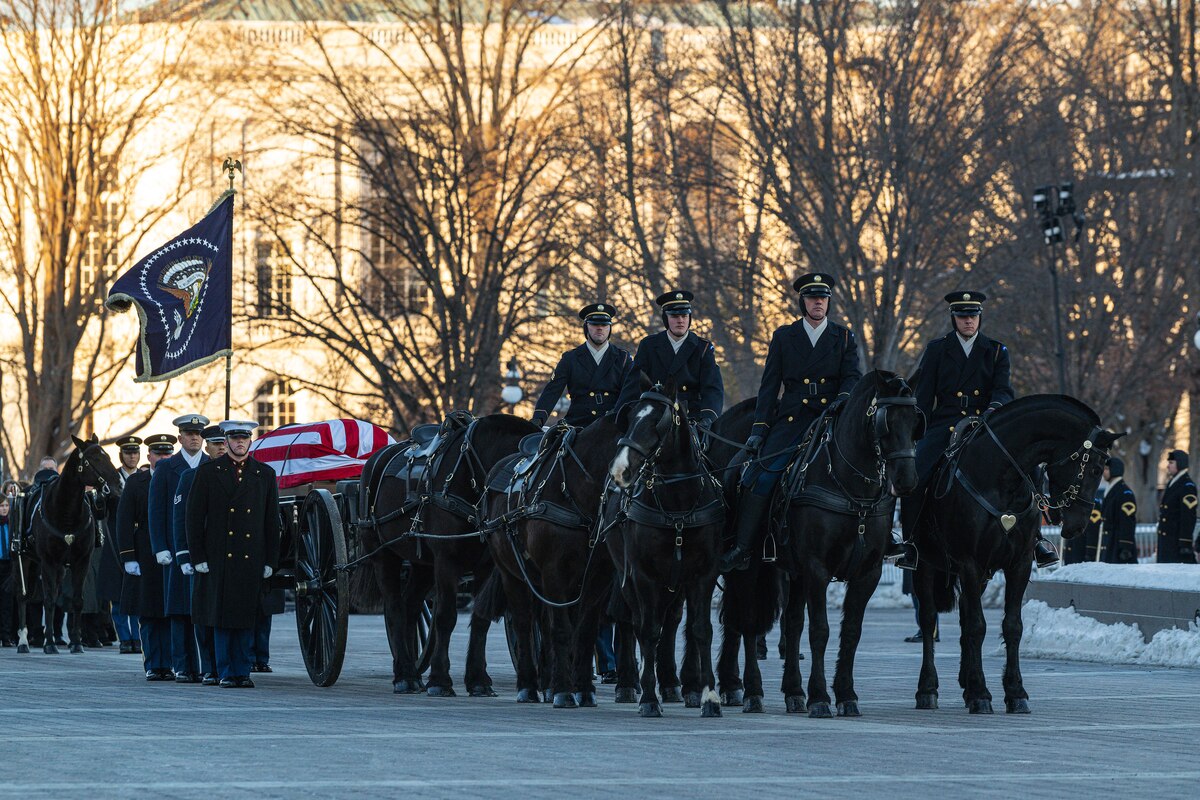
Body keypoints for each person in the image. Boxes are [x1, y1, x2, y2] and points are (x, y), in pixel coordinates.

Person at [895, 291, 1057, 569]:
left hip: (986, 423)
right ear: (954, 318)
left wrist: (994, 409)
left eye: (973, 316)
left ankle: (1036, 540)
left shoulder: (995, 350)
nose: (968, 321)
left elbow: (1004, 389)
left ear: (980, 317)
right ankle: (911, 543)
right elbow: (925, 394)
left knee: (1028, 471)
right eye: (963, 316)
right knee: (916, 475)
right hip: (944, 424)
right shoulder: (937, 348)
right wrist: (918, 429)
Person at [719, 272, 861, 572]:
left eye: (822, 298)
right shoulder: (784, 336)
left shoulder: (844, 336)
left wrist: (844, 397)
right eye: (812, 298)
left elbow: (852, 376)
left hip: (831, 417)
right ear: (803, 302)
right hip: (793, 418)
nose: (818, 303)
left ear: (828, 302)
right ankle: (743, 547)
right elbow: (769, 387)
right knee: (761, 475)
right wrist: (760, 429)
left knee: (866, 466)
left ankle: (876, 541)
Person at [186, 420, 280, 688]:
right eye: (235, 439)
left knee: (245, 617)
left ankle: (243, 670)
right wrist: (198, 557)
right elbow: (194, 518)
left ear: (250, 442)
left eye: (244, 438)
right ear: (225, 442)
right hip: (218, 555)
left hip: (251, 556)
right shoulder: (208, 472)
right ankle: (227, 671)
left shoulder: (264, 474)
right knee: (222, 617)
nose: (240, 443)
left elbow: (271, 522)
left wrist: (270, 560)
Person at [149, 413, 210, 682]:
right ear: (180, 438)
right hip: (174, 549)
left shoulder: (212, 466)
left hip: (203, 550)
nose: (194, 437)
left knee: (202, 610)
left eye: (198, 434)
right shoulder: (166, 468)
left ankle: (208, 665)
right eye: (189, 433)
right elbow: (156, 510)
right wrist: (160, 546)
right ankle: (183, 665)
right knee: (178, 610)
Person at [615, 289, 724, 428]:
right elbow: (634, 384)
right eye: (675, 316)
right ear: (666, 318)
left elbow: (713, 389)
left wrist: (708, 418)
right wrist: (618, 415)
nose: (680, 320)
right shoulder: (649, 345)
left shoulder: (702, 348)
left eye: (684, 315)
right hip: (655, 417)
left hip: (692, 419)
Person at [118, 433, 176, 680]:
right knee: (149, 612)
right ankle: (154, 664)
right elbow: (124, 520)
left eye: (167, 454)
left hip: (173, 551)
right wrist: (129, 556)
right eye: (158, 454)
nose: (163, 458)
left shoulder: (179, 477)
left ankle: (172, 663)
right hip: (144, 553)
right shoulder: (136, 482)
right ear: (149, 456)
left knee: (171, 611)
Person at [172, 425, 226, 684]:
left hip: (228, 558)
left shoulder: (237, 475)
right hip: (201, 557)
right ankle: (209, 667)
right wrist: (184, 555)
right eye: (216, 444)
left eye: (223, 443)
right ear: (208, 446)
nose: (222, 448)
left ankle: (227, 666)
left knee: (227, 615)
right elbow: (182, 519)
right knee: (203, 616)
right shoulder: (191, 476)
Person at [531, 303, 633, 428]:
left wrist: (618, 417)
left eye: (605, 325)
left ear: (609, 328)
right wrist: (538, 419)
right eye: (595, 324)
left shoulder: (623, 358)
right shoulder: (570, 358)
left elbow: (630, 393)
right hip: (578, 424)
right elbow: (552, 391)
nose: (600, 328)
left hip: (613, 423)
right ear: (586, 327)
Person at [104, 436, 143, 653]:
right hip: (116, 540)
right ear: (122, 455)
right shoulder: (112, 480)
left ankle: (137, 638)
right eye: (128, 453)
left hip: (139, 541)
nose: (132, 456)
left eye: (135, 452)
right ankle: (124, 638)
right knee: (117, 596)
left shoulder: (145, 477)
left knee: (137, 593)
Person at [1157, 449, 1197, 564]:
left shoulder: (1187, 485)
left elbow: (1188, 516)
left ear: (1180, 463)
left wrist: (1185, 542)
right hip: (1168, 540)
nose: (1168, 466)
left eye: (1171, 463)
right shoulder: (1173, 482)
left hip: (1176, 542)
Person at [1098, 457, 1138, 564]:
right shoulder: (1111, 489)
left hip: (1118, 546)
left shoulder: (1124, 493)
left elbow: (1127, 522)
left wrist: (1126, 546)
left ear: (1114, 470)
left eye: (1106, 469)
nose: (1103, 472)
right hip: (1110, 543)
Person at [0, 497, 13, 647]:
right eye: (1, 506)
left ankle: (6, 636)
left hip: (8, 564)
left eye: (6, 506)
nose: (4, 509)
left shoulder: (11, 524)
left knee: (7, 603)